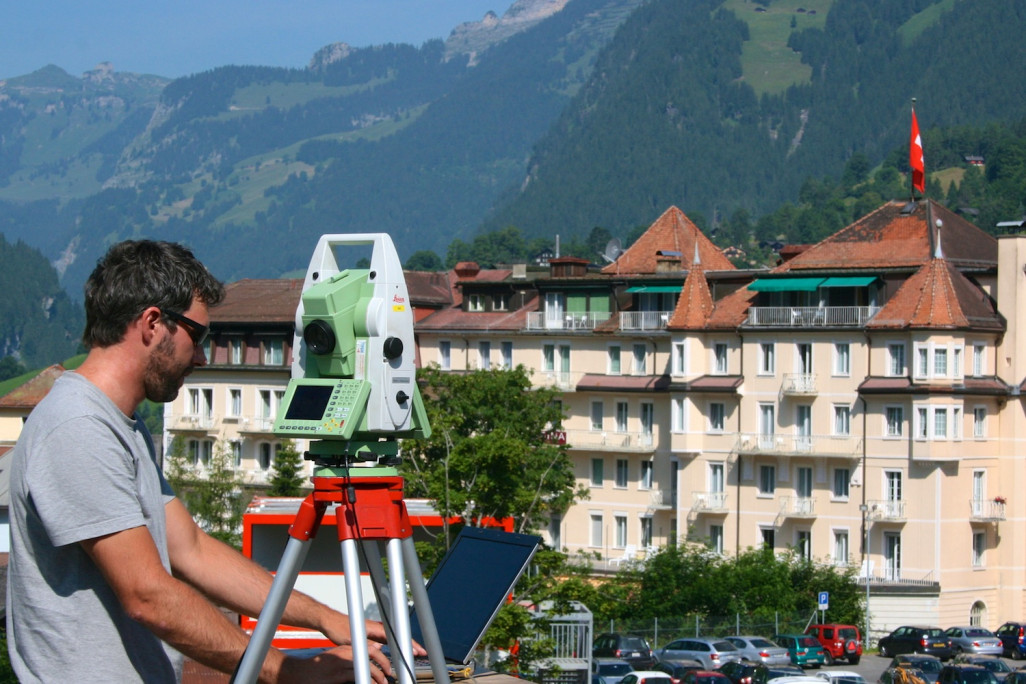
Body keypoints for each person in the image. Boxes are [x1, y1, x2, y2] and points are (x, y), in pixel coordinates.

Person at [6, 240, 409, 683]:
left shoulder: (123, 426)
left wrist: (325, 618)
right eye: (197, 336)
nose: (200, 356)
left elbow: (191, 551)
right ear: (153, 323)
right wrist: (283, 671)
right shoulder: (78, 428)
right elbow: (148, 597)